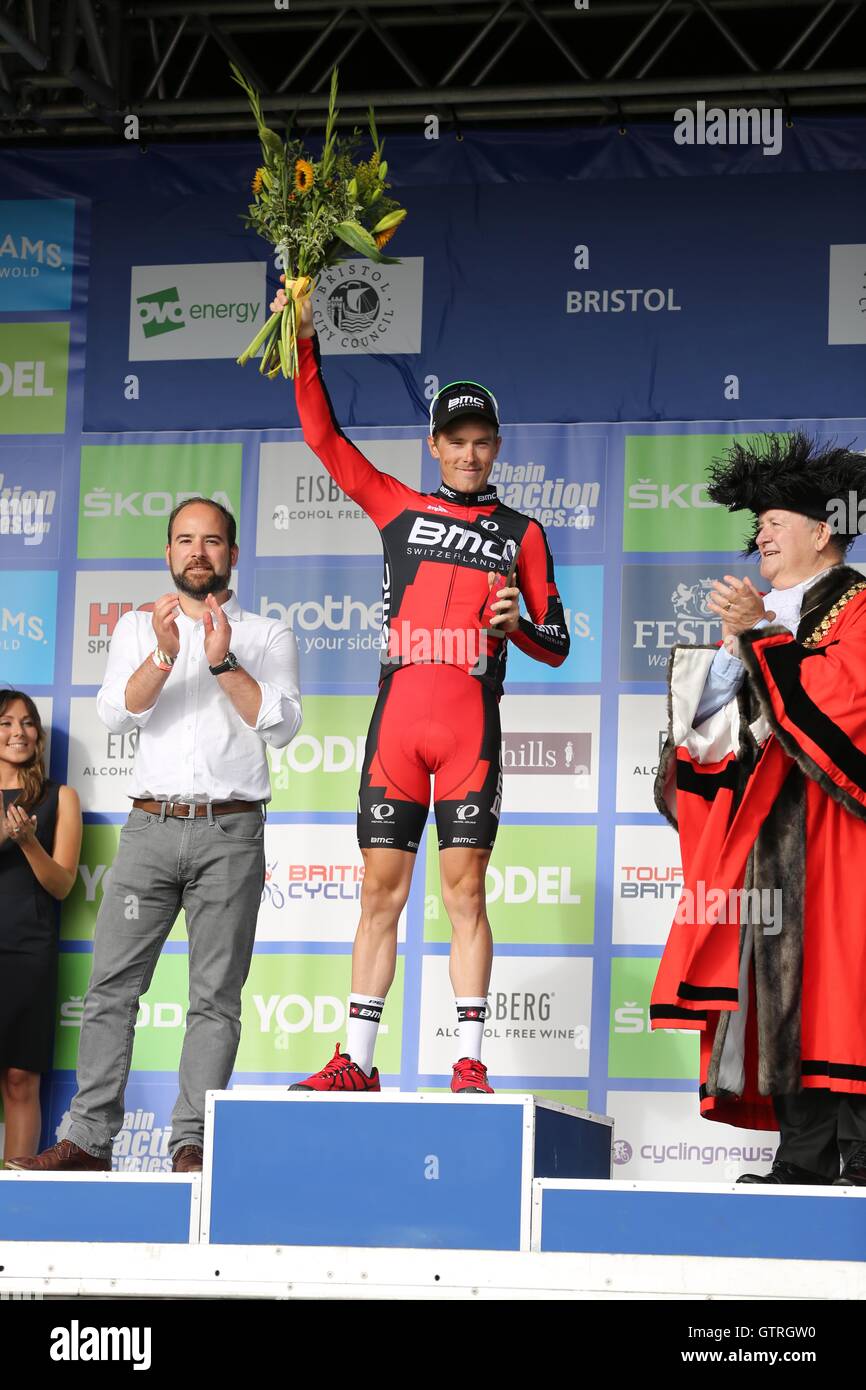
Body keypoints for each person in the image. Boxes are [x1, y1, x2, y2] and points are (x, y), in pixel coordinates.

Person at [272, 276, 570, 1095]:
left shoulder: (523, 533)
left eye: (483, 441)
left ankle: (469, 1061)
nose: (470, 453)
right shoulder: (397, 506)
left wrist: (516, 628)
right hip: (397, 723)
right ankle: (355, 1062)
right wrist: (302, 336)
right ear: (434, 446)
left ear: (497, 448)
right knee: (379, 892)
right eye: (456, 439)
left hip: (469, 727)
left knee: (465, 890)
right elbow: (322, 435)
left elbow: (558, 644)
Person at [8, 498, 301, 1174]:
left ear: (233, 552)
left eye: (212, 542)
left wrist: (225, 663)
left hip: (231, 831)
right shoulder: (139, 628)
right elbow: (117, 714)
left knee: (215, 997)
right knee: (111, 985)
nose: (198, 552)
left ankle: (192, 1143)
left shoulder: (267, 634)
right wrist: (167, 657)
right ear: (168, 553)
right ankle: (87, 1139)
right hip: (149, 828)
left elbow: (282, 726)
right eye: (184, 541)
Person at [652, 432, 866, 1186]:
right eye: (759, 526)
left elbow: (843, 710)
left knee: (851, 991)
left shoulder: (861, 608)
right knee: (786, 995)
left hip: (843, 842)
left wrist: (762, 641)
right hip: (774, 844)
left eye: (777, 521)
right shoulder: (764, 622)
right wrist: (719, 669)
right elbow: (721, 734)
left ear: (823, 531)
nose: (762, 535)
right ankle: (803, 1158)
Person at [0, 691, 81, 1163]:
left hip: (28, 950)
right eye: (6, 722)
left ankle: (11, 1198)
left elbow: (62, 885)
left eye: (28, 723)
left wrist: (29, 843)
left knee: (19, 1077)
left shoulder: (60, 798)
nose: (18, 732)